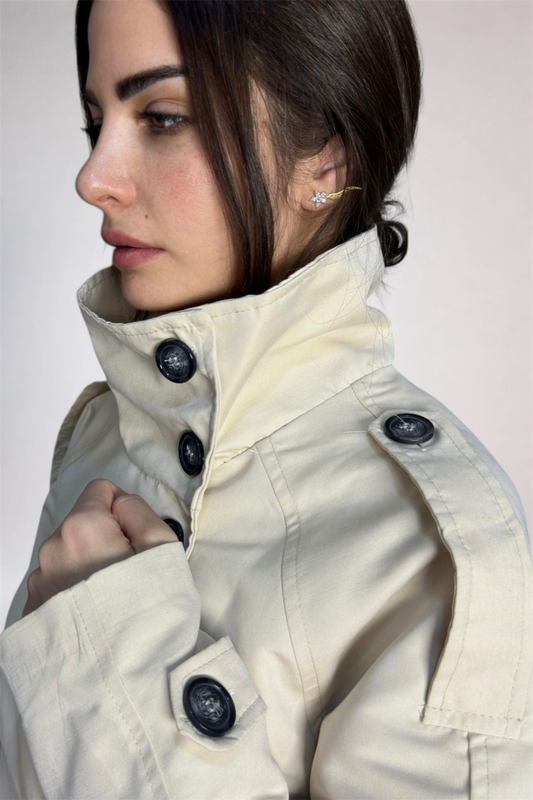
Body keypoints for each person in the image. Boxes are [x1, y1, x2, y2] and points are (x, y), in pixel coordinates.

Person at [0, 0, 531, 796]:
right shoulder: (99, 439)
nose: (92, 178)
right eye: (94, 120)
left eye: (164, 117)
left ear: (323, 156)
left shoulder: (435, 558)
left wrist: (111, 668)